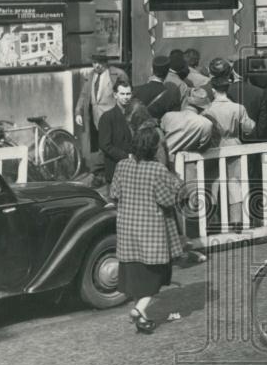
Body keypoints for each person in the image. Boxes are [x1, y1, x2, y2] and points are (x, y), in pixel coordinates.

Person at [109, 122, 185, 334]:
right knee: (155, 277)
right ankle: (139, 309)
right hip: (151, 233)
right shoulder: (157, 170)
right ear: (153, 148)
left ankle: (142, 317)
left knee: (135, 276)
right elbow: (168, 200)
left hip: (127, 230)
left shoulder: (122, 165)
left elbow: (114, 193)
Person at [204, 74, 255, 229]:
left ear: (213, 90)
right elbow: (249, 127)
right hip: (233, 144)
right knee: (235, 183)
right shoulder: (238, 108)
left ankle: (211, 220)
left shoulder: (208, 109)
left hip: (215, 146)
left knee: (213, 182)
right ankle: (237, 220)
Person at [75, 50, 127, 165]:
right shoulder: (91, 75)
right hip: (95, 116)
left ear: (106, 62)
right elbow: (83, 95)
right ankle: (99, 169)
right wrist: (78, 112)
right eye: (94, 62)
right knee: (98, 144)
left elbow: (126, 94)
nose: (96, 65)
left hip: (111, 116)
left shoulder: (118, 74)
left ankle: (112, 167)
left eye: (99, 62)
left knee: (111, 144)